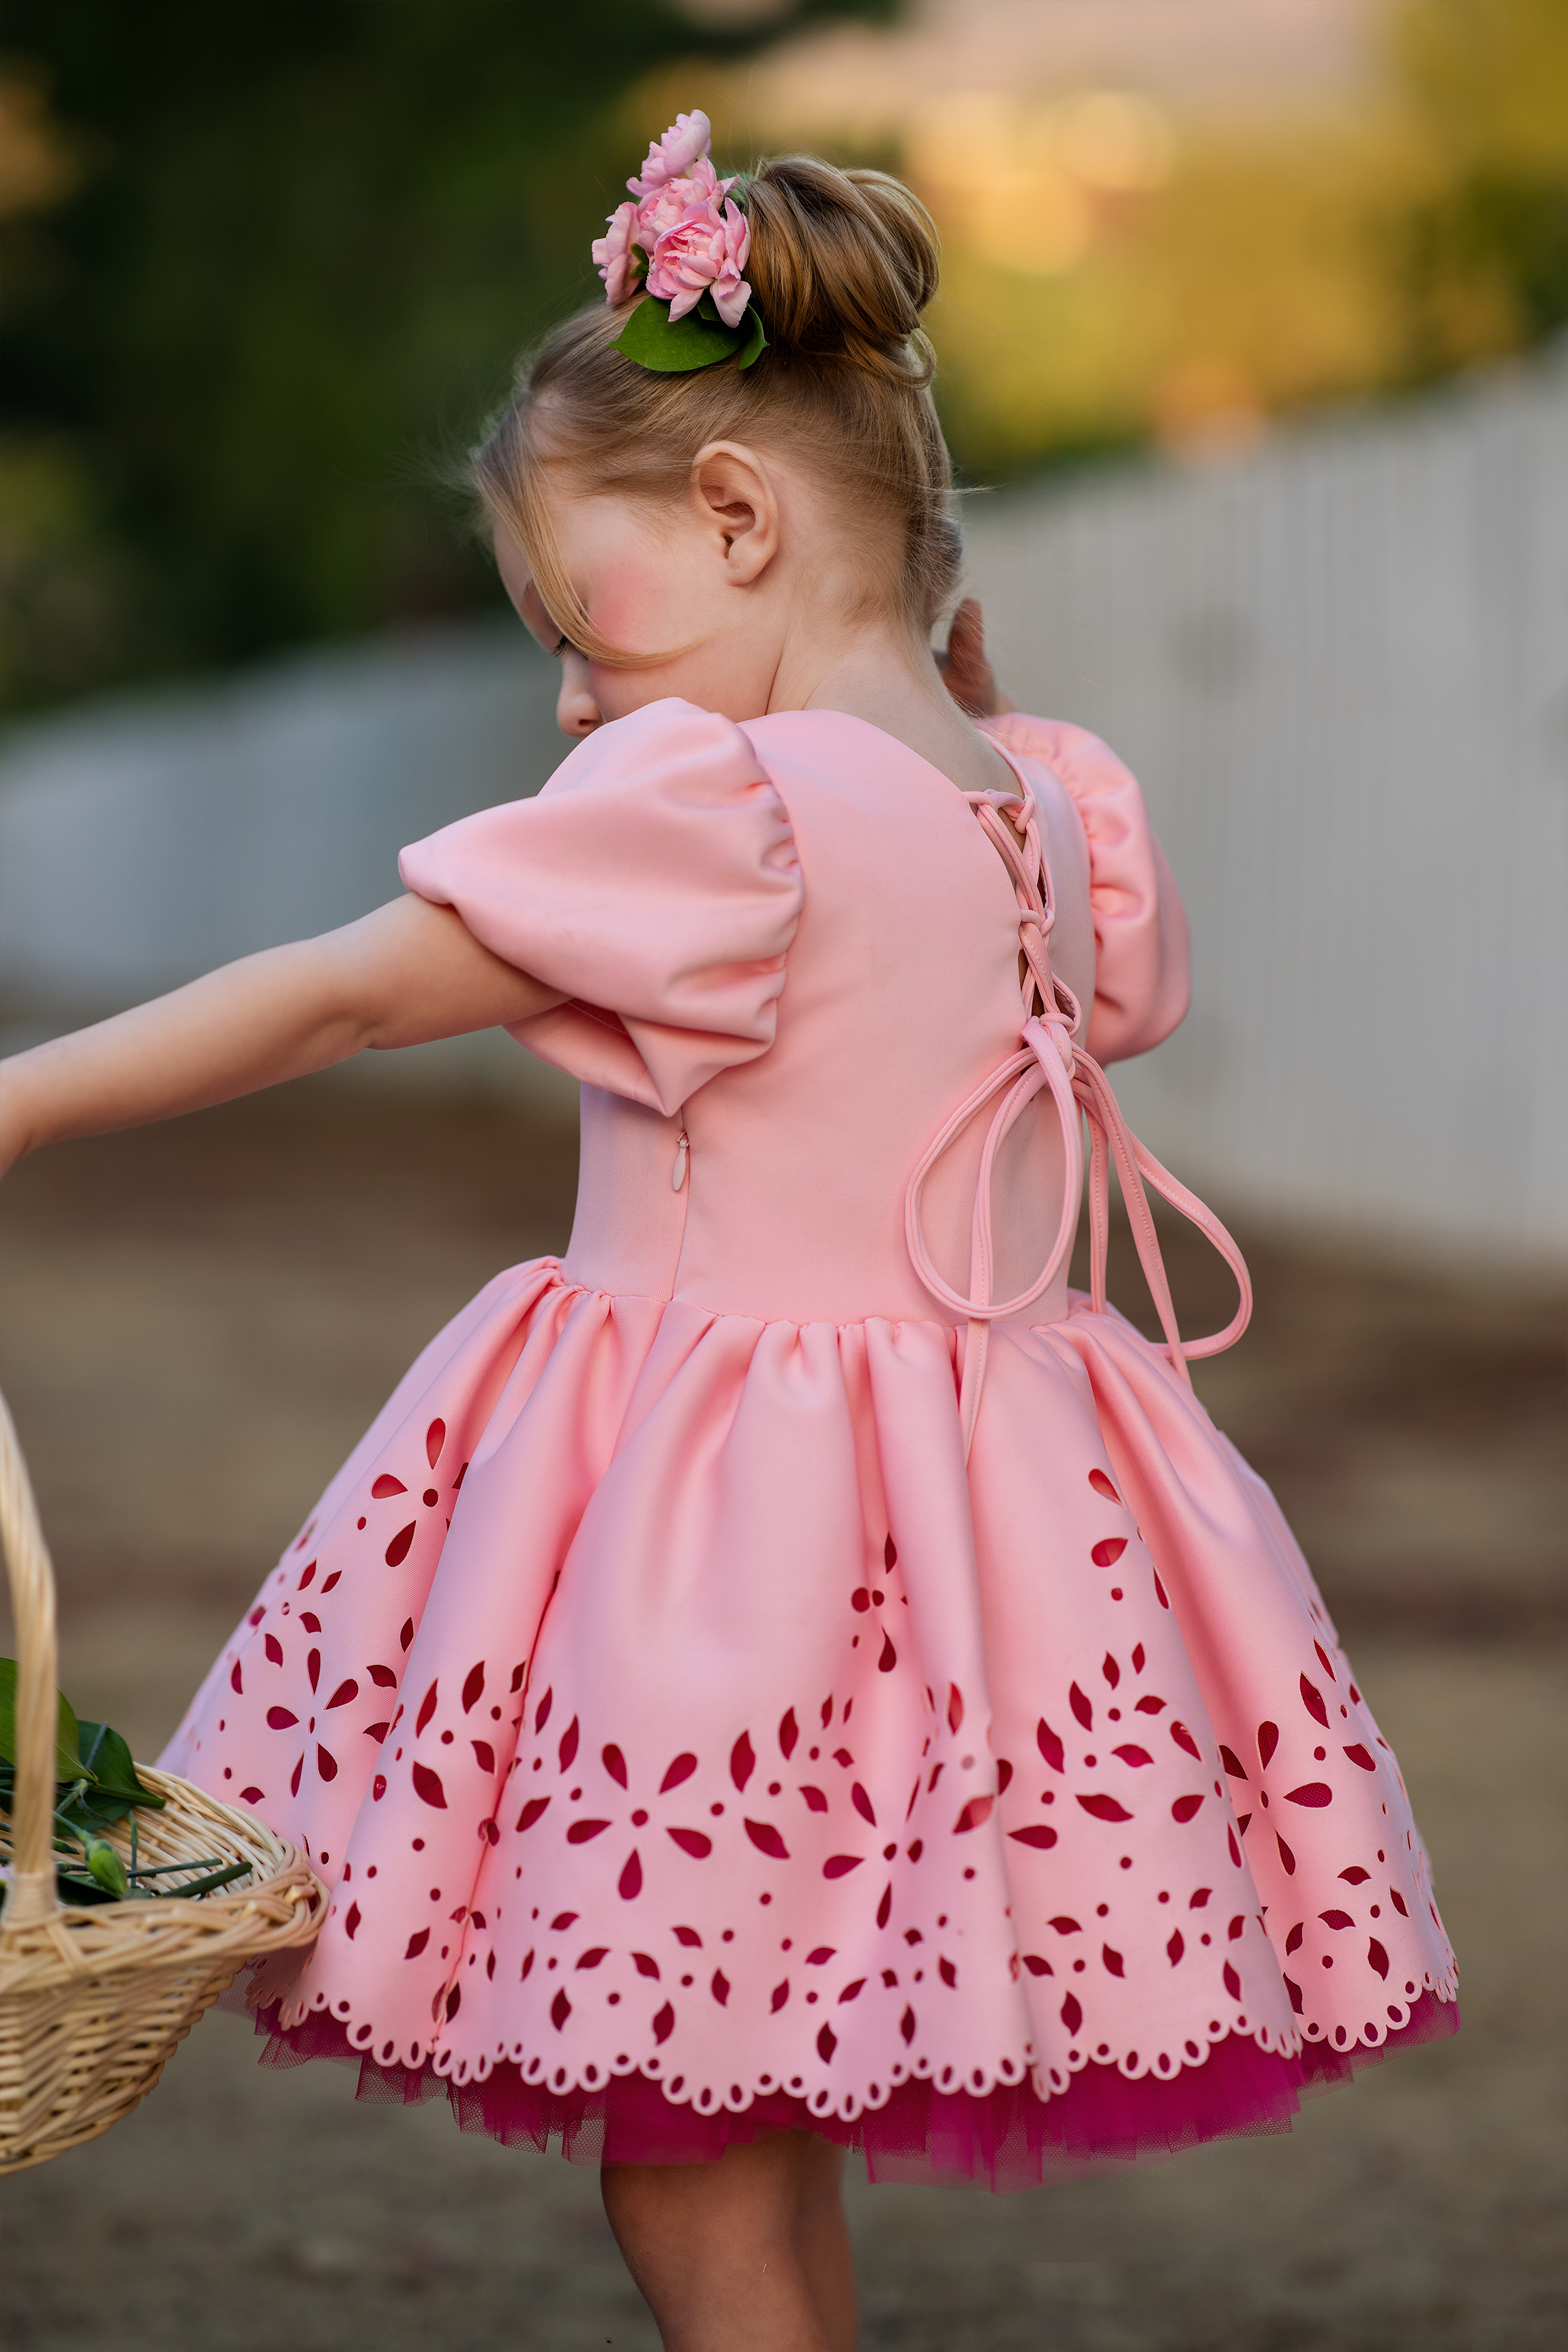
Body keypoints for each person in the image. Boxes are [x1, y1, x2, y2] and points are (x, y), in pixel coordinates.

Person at [0, 117, 1456, 2352]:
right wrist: (948, 700)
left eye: (578, 630)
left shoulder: (725, 805)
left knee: (688, 2151)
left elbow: (353, 989)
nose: (572, 702)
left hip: (722, 1552)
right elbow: (1115, 997)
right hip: (988, 1528)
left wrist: (24, 1101)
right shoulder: (1041, 803)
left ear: (738, 521)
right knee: (741, 2109)